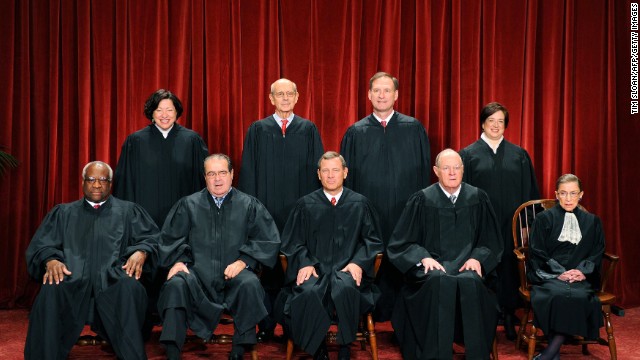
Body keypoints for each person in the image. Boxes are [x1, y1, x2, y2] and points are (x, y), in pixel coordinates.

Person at [24, 161, 159, 360]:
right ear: (83, 182)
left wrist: (142, 251)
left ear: (110, 183)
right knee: (51, 287)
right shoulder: (63, 213)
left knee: (130, 288)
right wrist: (51, 259)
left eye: (103, 180)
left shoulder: (129, 212)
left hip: (115, 278)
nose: (97, 184)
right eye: (92, 179)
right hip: (72, 278)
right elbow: (41, 245)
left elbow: (154, 240)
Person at [157, 154, 281, 360]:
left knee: (249, 283)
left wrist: (244, 262)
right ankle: (172, 352)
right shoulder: (188, 205)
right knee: (176, 285)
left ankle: (239, 350)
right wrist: (179, 261)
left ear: (232, 174)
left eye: (222, 173)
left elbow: (268, 240)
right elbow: (171, 238)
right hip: (196, 274)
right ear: (204, 177)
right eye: (211, 174)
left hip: (235, 274)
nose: (217, 179)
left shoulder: (249, 205)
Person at [387, 149, 503, 360]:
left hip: (468, 265)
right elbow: (401, 242)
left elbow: (491, 240)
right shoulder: (422, 199)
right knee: (437, 281)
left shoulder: (478, 197)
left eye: (457, 167)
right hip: (433, 268)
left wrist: (477, 258)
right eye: (446, 168)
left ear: (463, 170)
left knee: (472, 282)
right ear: (436, 171)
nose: (452, 172)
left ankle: (476, 354)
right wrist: (423, 257)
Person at [340, 71, 431, 321]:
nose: (382, 95)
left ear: (396, 95)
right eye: (377, 91)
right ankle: (371, 310)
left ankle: (405, 314)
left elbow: (424, 174)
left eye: (387, 90)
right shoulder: (355, 133)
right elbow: (346, 181)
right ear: (369, 95)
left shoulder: (413, 129)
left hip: (406, 210)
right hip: (369, 212)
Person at [239, 78, 324, 341]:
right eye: (280, 94)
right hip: (266, 212)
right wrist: (253, 211)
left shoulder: (308, 129)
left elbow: (317, 174)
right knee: (267, 268)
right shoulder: (257, 130)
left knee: (296, 266)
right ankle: (265, 323)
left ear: (298, 97)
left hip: (299, 213)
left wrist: (312, 211)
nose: (285, 98)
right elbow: (249, 172)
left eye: (290, 94)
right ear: (271, 98)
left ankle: (292, 325)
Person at [279, 151, 384, 360]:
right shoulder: (305, 205)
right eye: (325, 171)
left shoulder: (360, 204)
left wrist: (358, 263)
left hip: (346, 270)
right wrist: (305, 263)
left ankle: (345, 347)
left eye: (335, 170)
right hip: (316, 271)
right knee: (308, 291)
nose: (330, 175)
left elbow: (373, 241)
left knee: (346, 287)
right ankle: (318, 349)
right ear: (318, 174)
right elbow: (292, 242)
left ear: (345, 173)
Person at [459, 101, 540, 339]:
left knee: (509, 266)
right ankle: (486, 314)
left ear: (506, 125)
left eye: (500, 121)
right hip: (481, 224)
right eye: (491, 121)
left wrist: (528, 226)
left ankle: (508, 313)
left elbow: (530, 192)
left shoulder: (519, 155)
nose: (495, 125)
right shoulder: (468, 155)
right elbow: (462, 193)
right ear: (483, 123)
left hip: (512, 224)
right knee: (485, 264)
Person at [527, 174, 605, 360]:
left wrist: (581, 271)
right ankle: (553, 353)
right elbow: (537, 251)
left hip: (580, 277)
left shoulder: (592, 221)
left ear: (581, 195)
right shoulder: (543, 219)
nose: (568, 198)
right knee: (557, 295)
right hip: (549, 275)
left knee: (577, 295)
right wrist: (559, 273)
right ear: (556, 194)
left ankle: (550, 353)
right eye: (563, 193)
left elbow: (597, 251)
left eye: (573, 193)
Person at [113, 88, 209, 228]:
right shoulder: (135, 141)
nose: (165, 115)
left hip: (183, 219)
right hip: (144, 220)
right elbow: (125, 184)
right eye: (159, 110)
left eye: (169, 110)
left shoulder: (192, 141)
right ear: (152, 113)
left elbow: (202, 182)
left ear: (177, 112)